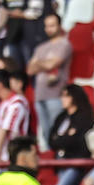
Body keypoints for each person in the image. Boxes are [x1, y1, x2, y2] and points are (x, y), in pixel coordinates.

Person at [48, 84, 94, 185]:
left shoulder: (84, 117)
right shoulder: (61, 117)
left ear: (74, 97)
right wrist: (66, 137)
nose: (62, 99)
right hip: (60, 162)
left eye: (66, 96)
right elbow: (51, 140)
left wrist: (62, 139)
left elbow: (79, 142)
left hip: (75, 162)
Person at [26, 14, 71, 146]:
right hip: (40, 94)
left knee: (56, 130)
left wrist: (38, 63)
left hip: (56, 94)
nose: (49, 29)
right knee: (45, 132)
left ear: (59, 26)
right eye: (47, 26)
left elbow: (52, 65)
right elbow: (29, 70)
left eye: (52, 25)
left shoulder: (64, 44)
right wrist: (46, 63)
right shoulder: (40, 47)